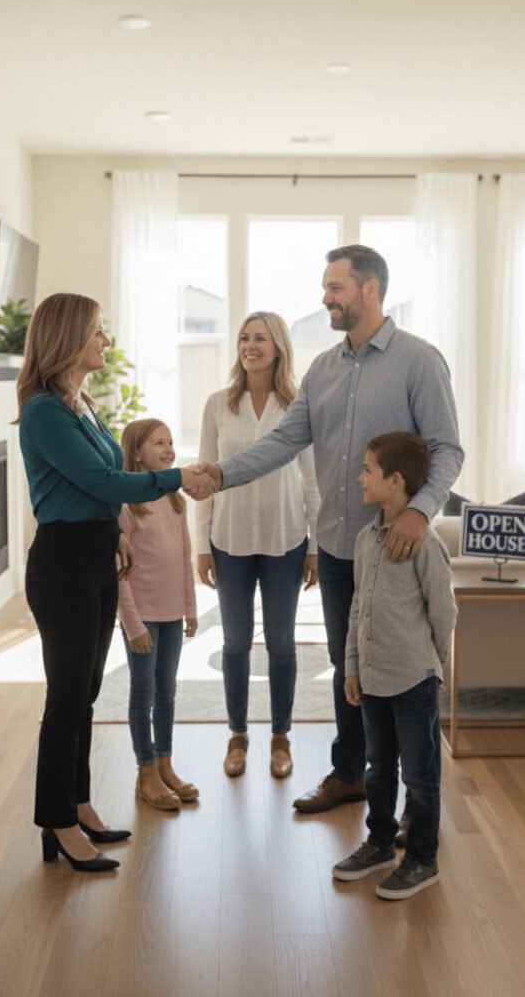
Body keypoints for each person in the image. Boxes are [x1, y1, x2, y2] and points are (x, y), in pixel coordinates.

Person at [193, 245, 464, 815]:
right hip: (342, 548)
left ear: (369, 290)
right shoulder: (323, 369)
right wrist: (221, 473)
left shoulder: (419, 361)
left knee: (404, 672)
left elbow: (446, 450)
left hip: (397, 549)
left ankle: (416, 803)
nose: (325, 298)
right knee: (350, 667)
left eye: (335, 288)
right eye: (325, 287)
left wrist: (420, 511)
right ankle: (351, 775)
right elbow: (284, 442)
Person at [17, 293, 213, 873]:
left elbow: (104, 485)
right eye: (98, 332)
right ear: (69, 338)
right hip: (63, 565)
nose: (105, 342)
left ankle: (78, 805)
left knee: (87, 693)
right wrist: (180, 476)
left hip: (98, 556)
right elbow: (106, 479)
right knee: (67, 697)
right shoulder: (44, 412)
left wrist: (119, 534)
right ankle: (56, 821)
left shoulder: (81, 406)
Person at [332, 432, 456, 899]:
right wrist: (351, 668)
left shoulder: (425, 544)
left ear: (395, 480)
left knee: (419, 774)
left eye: (367, 469)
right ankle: (380, 844)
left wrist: (438, 665)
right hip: (372, 679)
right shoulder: (366, 539)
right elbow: (357, 609)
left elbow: (443, 610)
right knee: (377, 766)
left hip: (413, 680)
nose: (360, 477)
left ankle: (422, 858)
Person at [196, 312, 320, 778]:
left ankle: (281, 736)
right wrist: (201, 546)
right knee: (234, 643)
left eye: (260, 338)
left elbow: (311, 479)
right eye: (244, 338)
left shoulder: (298, 406)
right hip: (228, 540)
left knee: (283, 644)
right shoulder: (218, 405)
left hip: (286, 539)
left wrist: (314, 545)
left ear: (278, 347)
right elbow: (204, 475)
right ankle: (237, 735)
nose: (250, 345)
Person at [118, 418, 199, 811]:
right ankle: (146, 771)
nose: (168, 449)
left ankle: (165, 764)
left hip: (170, 614)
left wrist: (190, 608)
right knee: (144, 692)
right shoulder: (125, 504)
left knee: (167, 691)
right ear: (136, 453)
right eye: (158, 443)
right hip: (143, 617)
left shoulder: (174, 498)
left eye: (170, 442)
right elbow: (119, 572)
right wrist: (133, 625)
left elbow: (183, 557)